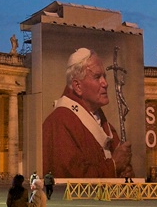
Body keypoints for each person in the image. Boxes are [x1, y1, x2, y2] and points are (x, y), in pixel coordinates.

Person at [42, 48, 133, 178]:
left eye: (104, 76)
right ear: (78, 86)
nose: (105, 83)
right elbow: (71, 177)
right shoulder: (60, 122)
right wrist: (113, 165)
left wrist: (125, 172)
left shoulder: (106, 126)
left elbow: (121, 166)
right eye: (97, 77)